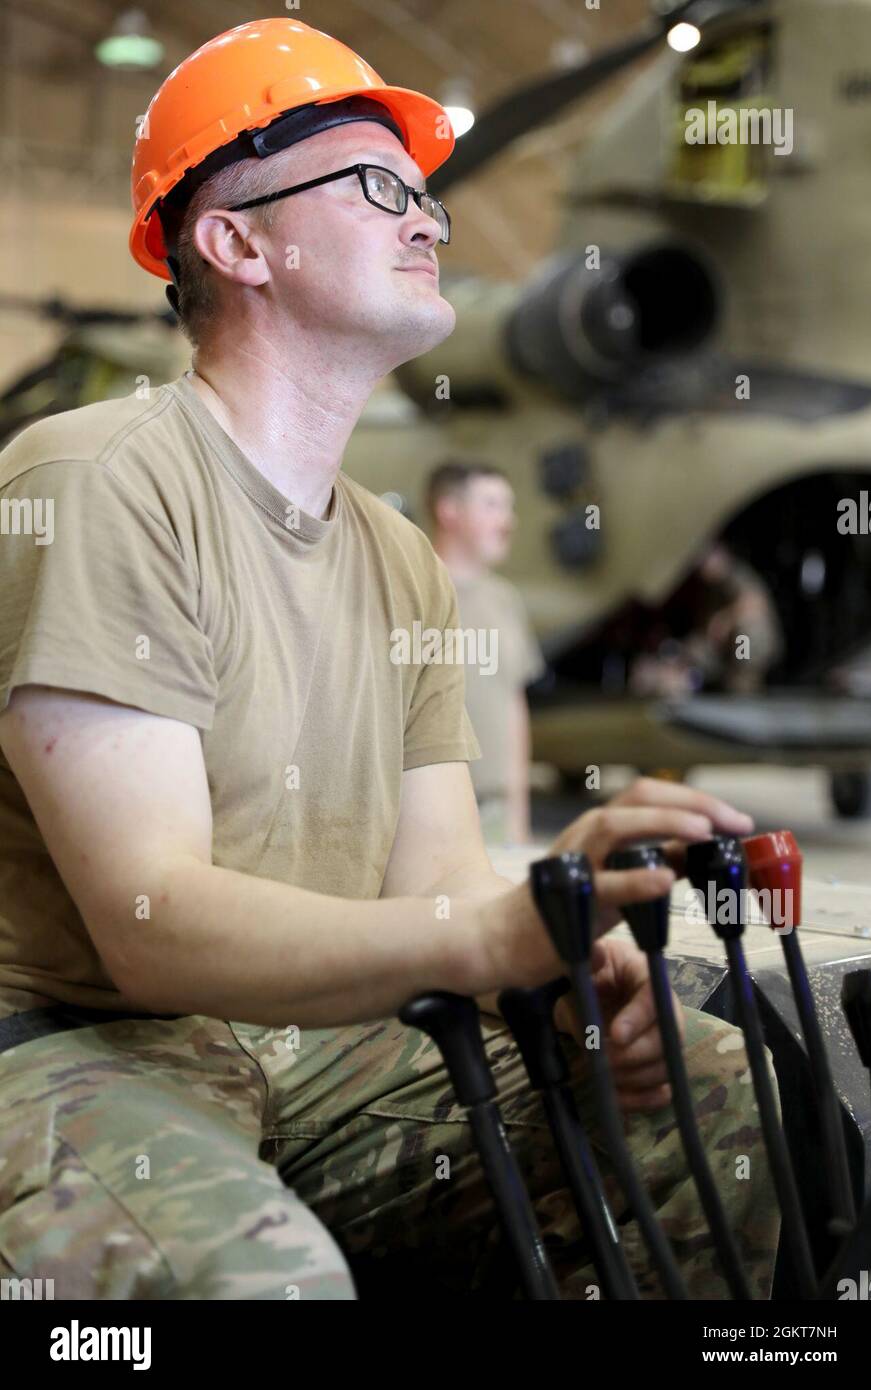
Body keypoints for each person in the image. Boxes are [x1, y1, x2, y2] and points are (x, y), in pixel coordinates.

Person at [0, 18, 779, 1300]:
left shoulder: (398, 554)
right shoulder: (97, 480)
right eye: (375, 186)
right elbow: (149, 924)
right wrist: (482, 939)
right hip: (76, 1038)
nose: (427, 219)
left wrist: (562, 955)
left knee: (711, 1106)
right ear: (236, 242)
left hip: (306, 1037)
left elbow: (434, 881)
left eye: (425, 195)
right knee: (264, 1282)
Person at [428, 461, 545, 845]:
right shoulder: (413, 590)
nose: (507, 520)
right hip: (429, 810)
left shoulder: (504, 599)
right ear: (450, 511)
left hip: (493, 812)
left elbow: (513, 706)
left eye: (509, 507)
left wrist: (518, 817)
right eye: (492, 506)